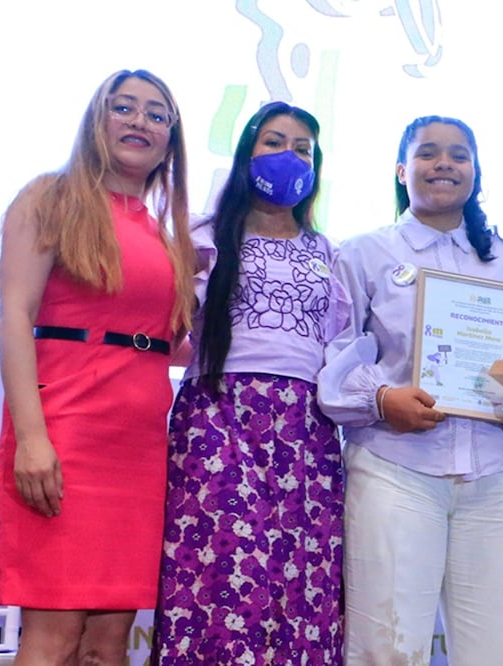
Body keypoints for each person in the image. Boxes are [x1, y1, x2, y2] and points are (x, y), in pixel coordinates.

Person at [317, 115, 503, 665]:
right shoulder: (364, 253)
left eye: (458, 155)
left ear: (475, 172)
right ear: (401, 170)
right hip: (395, 470)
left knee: (497, 651)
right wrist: (379, 399)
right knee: (387, 649)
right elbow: (334, 354)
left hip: (497, 478)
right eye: (427, 153)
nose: (443, 163)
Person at [0, 69, 193, 665]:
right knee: (54, 636)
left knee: (109, 644)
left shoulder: (165, 232)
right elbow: (14, 315)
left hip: (139, 450)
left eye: (157, 115)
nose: (139, 121)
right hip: (63, 438)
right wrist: (31, 438)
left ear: (170, 140)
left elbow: (167, 341)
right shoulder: (49, 198)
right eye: (123, 107)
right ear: (96, 121)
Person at [155, 102, 348, 664]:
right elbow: (168, 327)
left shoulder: (328, 253)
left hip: (306, 429)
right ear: (246, 154)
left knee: (300, 580)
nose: (288, 156)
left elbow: (342, 346)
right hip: (218, 417)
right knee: (221, 570)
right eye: (273, 141)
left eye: (302, 148)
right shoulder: (204, 236)